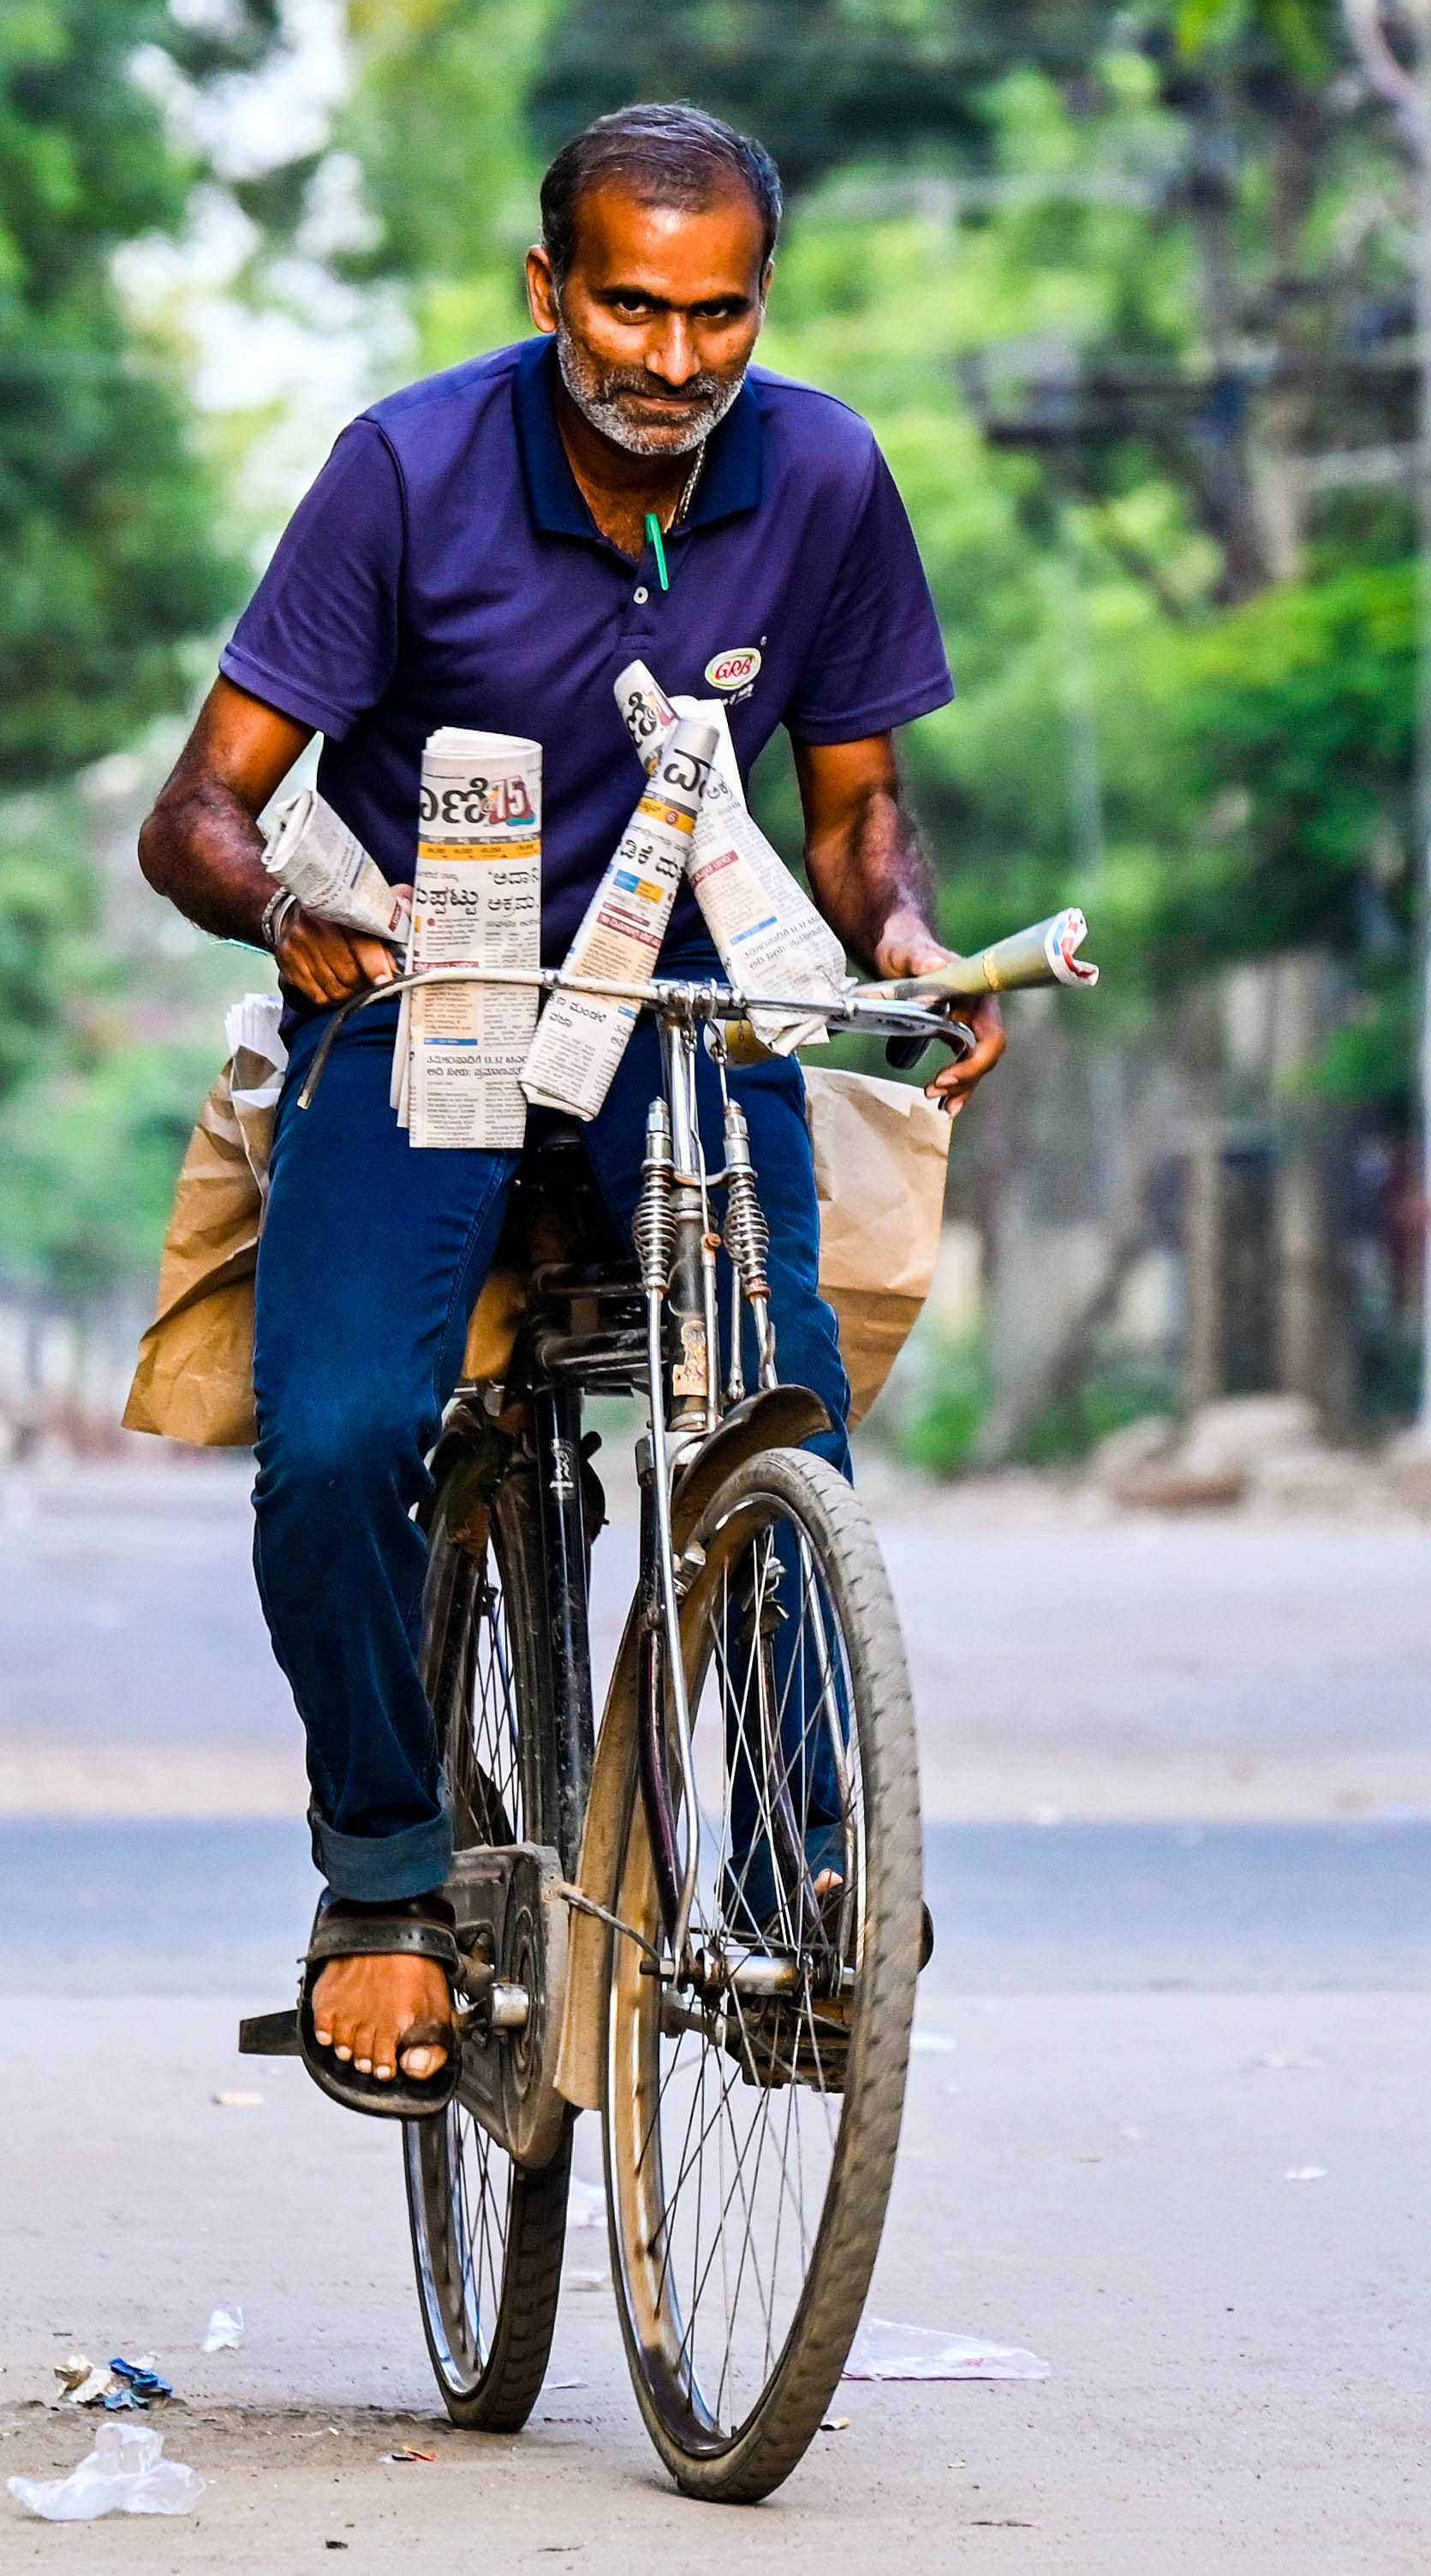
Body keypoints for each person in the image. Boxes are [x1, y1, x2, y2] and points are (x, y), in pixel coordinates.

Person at [140, 103, 1002, 2110]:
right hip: (426, 998)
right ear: (553, 293)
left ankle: (799, 1851)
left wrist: (909, 952)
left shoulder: (830, 476)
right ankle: (380, 1873)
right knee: (342, 1434)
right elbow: (198, 805)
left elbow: (859, 812)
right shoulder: (404, 471)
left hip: (674, 1016)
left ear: (758, 306)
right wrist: (287, 908)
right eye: (629, 304)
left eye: (717, 315)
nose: (673, 358)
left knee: (771, 1396)